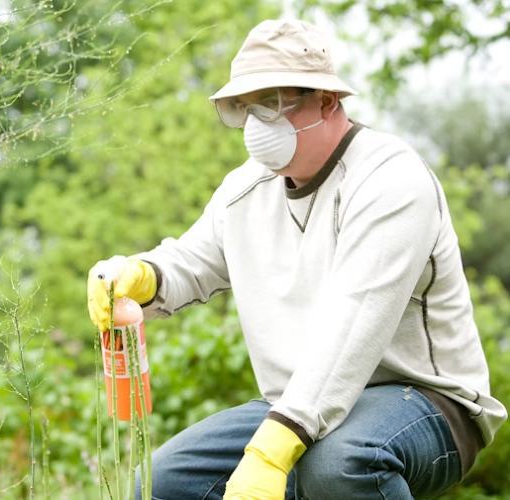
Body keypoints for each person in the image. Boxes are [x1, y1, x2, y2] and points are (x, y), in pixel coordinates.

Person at [86, 19, 507, 500]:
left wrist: (271, 451)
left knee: (336, 465)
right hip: (297, 403)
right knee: (160, 484)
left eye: (273, 102)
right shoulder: (244, 190)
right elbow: (191, 261)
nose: (256, 123)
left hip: (426, 400)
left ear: (327, 100)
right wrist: (138, 275)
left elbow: (354, 327)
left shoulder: (391, 180)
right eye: (245, 108)